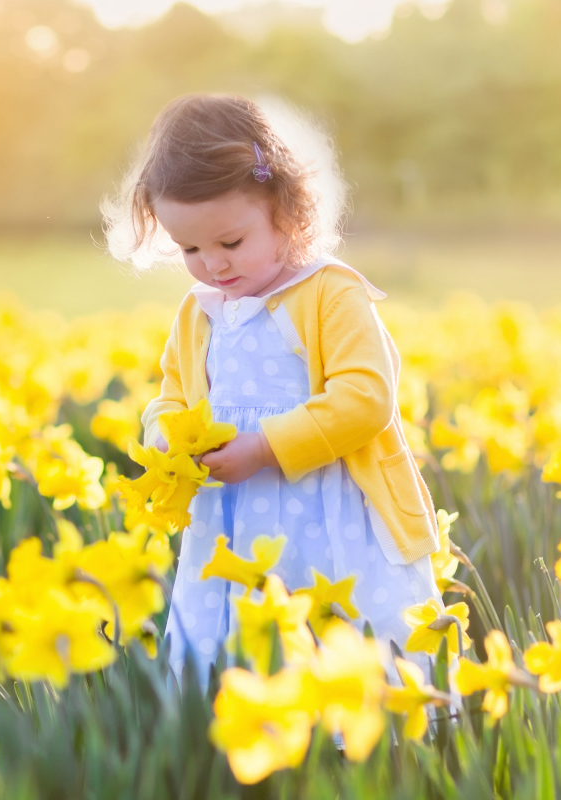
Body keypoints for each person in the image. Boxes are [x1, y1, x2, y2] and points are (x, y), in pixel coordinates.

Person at [102, 94, 443, 686]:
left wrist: (264, 448)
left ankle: (366, 752)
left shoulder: (330, 293)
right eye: (190, 249)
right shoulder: (200, 311)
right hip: (227, 522)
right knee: (233, 643)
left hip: (332, 510)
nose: (212, 265)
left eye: (230, 243)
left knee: (340, 640)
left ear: (287, 212)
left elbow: (365, 399)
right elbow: (172, 396)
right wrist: (165, 439)